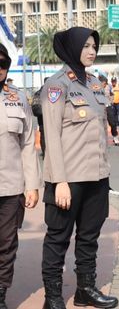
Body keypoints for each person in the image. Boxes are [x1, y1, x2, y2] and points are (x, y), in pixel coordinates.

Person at [41, 27, 118, 309]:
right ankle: (52, 298)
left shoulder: (96, 84)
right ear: (72, 48)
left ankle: (86, 289)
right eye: (85, 46)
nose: (92, 51)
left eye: (94, 46)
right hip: (68, 179)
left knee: (89, 237)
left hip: (97, 176)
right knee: (58, 239)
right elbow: (51, 135)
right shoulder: (56, 85)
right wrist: (59, 181)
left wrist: (105, 174)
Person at [0, 43, 41, 309]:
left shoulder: (17, 98)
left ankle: (0, 293)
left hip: (10, 187)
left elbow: (28, 144)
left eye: (3, 65)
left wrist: (32, 185)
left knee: (6, 246)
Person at [99, 75, 119, 146]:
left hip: (108, 106)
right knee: (101, 124)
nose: (104, 84)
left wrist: (111, 102)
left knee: (112, 123)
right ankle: (102, 139)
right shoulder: (96, 87)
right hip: (100, 107)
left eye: (105, 83)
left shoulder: (109, 87)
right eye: (103, 83)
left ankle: (115, 137)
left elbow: (112, 94)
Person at [31, 77, 49, 158]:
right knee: (45, 139)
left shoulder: (56, 91)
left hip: (49, 121)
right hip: (44, 121)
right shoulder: (39, 93)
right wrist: (49, 111)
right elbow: (36, 109)